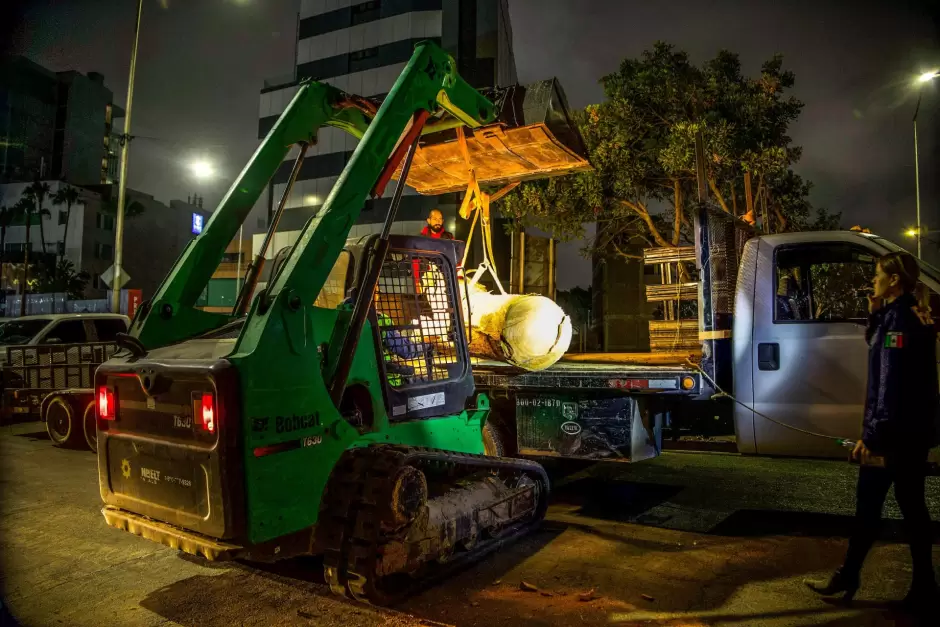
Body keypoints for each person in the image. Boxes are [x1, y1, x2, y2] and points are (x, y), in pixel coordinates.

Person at [806, 251, 939, 613]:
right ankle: (924, 585)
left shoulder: (898, 321)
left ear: (894, 280)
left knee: (869, 507)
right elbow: (886, 355)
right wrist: (875, 309)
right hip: (913, 432)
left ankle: (850, 575)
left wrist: (873, 437)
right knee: (913, 508)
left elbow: (889, 382)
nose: (873, 280)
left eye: (878, 274)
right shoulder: (913, 313)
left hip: (893, 434)